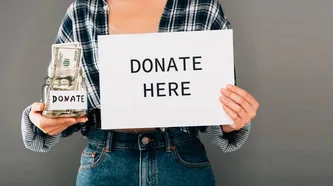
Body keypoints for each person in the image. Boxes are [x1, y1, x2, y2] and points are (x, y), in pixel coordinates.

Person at [20, 0, 260, 185]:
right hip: (105, 163)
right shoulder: (82, 12)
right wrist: (41, 118)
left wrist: (233, 119)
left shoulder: (203, 8)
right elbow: (61, 104)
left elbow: (219, 106)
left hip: (182, 162)